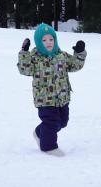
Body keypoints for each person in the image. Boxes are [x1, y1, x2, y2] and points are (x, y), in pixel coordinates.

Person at [17, 23, 86, 156]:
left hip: (62, 97)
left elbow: (74, 65)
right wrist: (24, 53)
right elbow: (24, 69)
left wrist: (79, 53)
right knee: (52, 121)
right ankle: (49, 147)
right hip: (44, 99)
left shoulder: (61, 56)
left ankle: (39, 133)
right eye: (44, 40)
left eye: (51, 39)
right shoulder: (35, 58)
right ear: (38, 42)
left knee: (62, 122)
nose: (48, 43)